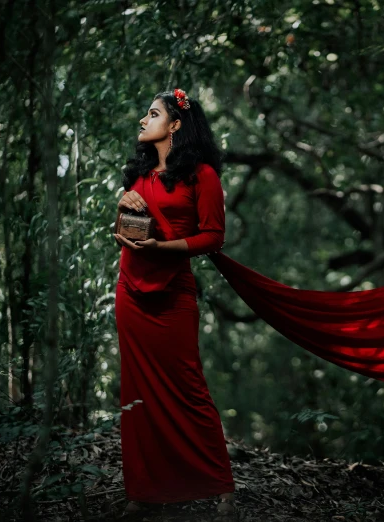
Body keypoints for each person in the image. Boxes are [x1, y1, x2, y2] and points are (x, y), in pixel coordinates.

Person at [113, 88, 236, 518]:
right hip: (129, 291)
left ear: (176, 125)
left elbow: (213, 237)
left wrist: (163, 248)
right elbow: (127, 231)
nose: (143, 120)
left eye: (152, 114)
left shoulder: (201, 175)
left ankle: (221, 488)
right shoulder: (138, 174)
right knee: (137, 390)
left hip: (173, 294)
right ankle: (144, 491)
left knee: (189, 388)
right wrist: (122, 207)